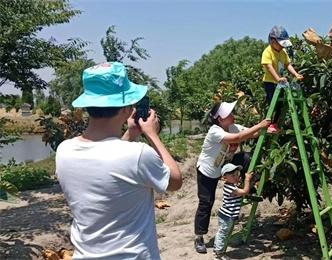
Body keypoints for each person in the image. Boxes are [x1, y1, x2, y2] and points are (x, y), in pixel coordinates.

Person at [55, 61, 182, 259]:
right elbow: (174, 181)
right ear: (126, 109)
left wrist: (131, 133)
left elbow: (107, 159)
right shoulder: (138, 154)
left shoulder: (64, 150)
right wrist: (152, 135)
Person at [194, 101, 270, 254]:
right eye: (229, 114)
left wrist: (269, 130)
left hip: (224, 166)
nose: (233, 115)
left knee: (246, 158)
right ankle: (199, 237)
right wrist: (260, 125)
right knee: (206, 202)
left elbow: (251, 133)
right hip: (207, 171)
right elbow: (239, 137)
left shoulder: (233, 126)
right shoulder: (214, 131)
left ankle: (249, 187)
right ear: (220, 119)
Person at [261, 25, 304, 133]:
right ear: (273, 41)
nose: (282, 47)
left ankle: (274, 124)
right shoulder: (267, 52)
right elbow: (269, 67)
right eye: (280, 44)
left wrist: (295, 74)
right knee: (272, 103)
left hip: (280, 82)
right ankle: (268, 124)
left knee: (280, 104)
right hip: (270, 82)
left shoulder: (283, 52)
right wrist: (278, 78)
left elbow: (287, 64)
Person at [213, 163, 253, 259]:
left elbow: (238, 187)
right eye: (232, 175)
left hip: (228, 215)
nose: (236, 177)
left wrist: (239, 182)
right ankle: (218, 252)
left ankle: (218, 250)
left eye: (236, 174)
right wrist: (247, 179)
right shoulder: (230, 188)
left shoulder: (232, 185)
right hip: (226, 216)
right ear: (225, 178)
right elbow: (244, 192)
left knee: (224, 232)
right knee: (223, 233)